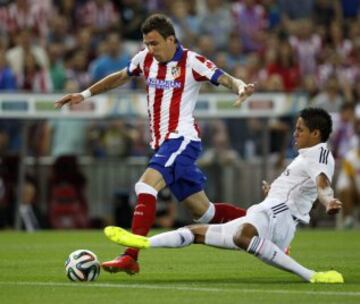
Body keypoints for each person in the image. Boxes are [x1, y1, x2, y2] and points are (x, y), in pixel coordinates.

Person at [55, 14, 255, 275]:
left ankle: (130, 256)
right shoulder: (145, 59)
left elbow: (225, 78)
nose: (150, 49)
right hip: (163, 145)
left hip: (182, 139)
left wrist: (240, 87)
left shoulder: (192, 61)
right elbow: (119, 77)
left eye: (155, 43)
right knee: (204, 212)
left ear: (171, 39)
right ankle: (263, 226)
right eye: (146, 44)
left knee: (145, 185)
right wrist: (83, 94)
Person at [103, 108, 344, 284]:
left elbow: (322, 183)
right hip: (272, 213)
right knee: (194, 233)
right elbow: (304, 187)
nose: (295, 134)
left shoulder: (320, 152)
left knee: (243, 236)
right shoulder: (305, 156)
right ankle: (143, 242)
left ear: (316, 133)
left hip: (278, 216)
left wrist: (328, 199)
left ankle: (310, 275)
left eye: (300, 129)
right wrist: (275, 191)